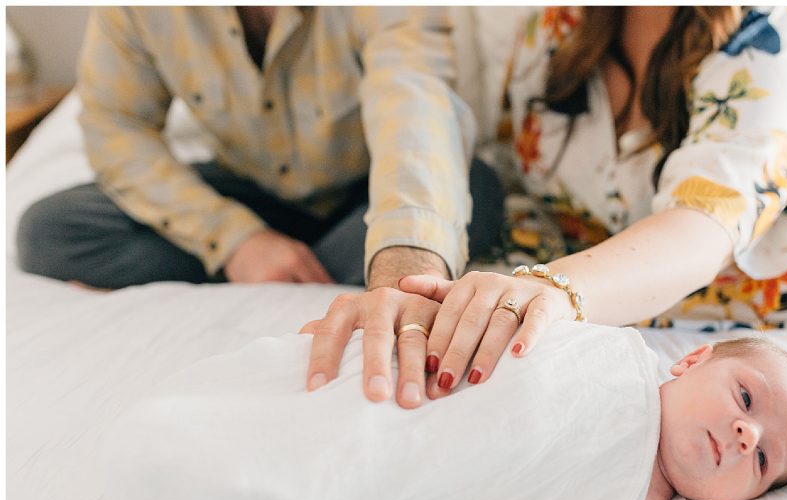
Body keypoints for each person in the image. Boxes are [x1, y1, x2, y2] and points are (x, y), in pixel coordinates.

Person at [302, 6, 787, 407]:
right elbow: (515, 172)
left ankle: (612, 284)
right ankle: (612, 281)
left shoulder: (777, 30)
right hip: (582, 232)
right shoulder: (559, 28)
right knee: (475, 225)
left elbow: (706, 223)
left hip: (745, 237)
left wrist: (553, 292)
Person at [102, 325, 787, 500]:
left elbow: (485, 487)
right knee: (361, 399)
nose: (744, 435)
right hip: (430, 388)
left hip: (428, 461)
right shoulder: (610, 351)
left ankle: (216, 475)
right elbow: (513, 365)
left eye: (764, 461)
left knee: (371, 467)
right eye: (746, 399)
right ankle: (199, 435)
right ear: (692, 360)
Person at [17, 7, 503, 295]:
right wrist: (236, 240)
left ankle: (295, 274)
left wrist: (402, 273)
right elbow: (115, 124)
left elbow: (413, 110)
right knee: (50, 229)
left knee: (474, 187)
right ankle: (287, 271)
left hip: (369, 189)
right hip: (253, 195)